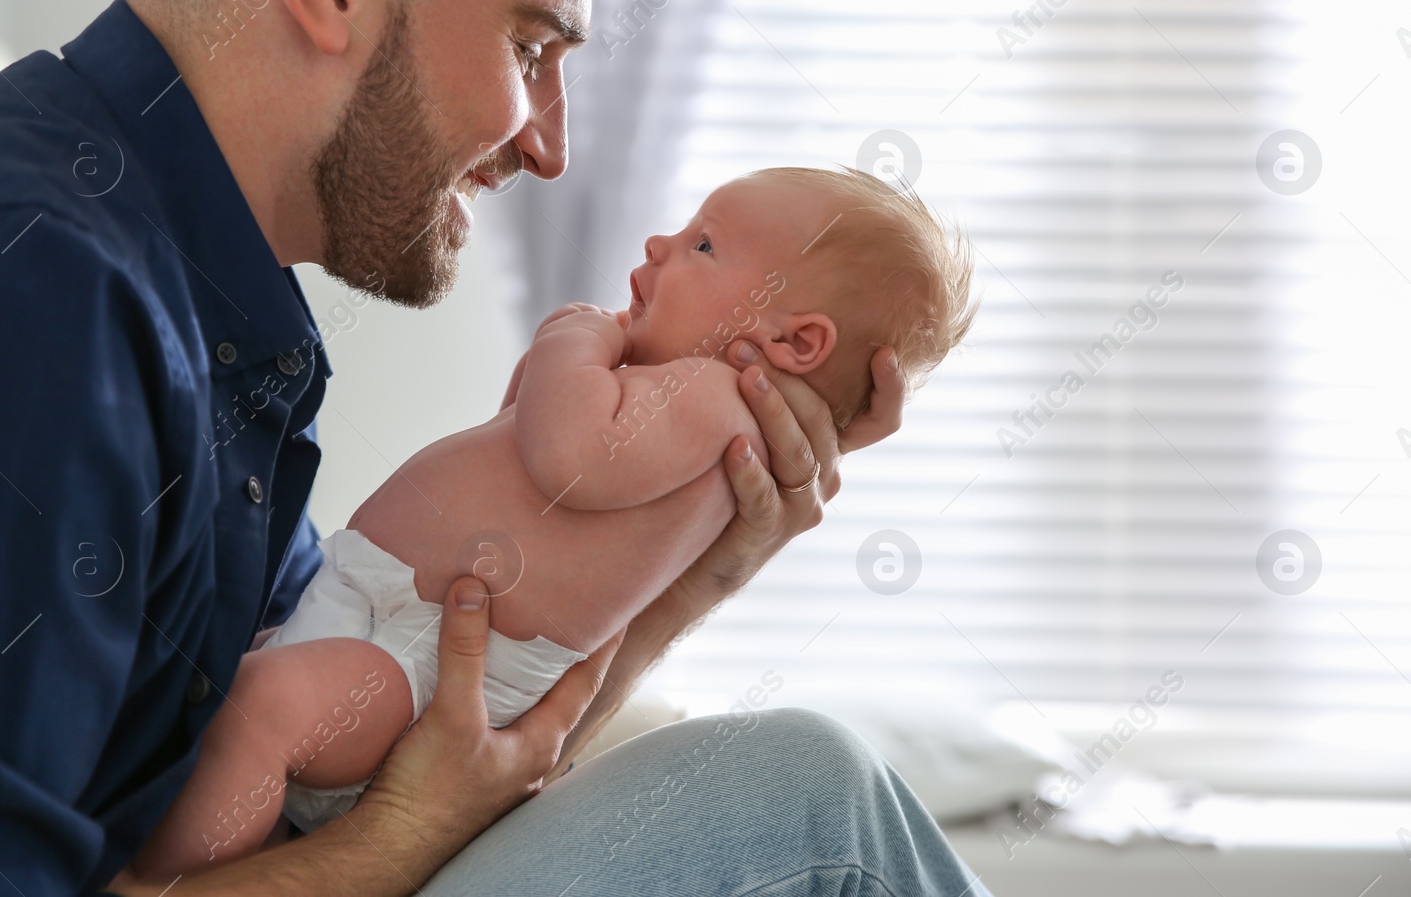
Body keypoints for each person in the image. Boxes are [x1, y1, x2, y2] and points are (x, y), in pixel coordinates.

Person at [0, 0, 990, 893]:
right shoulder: (22, 280)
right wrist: (396, 842)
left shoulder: (204, 297)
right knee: (816, 802)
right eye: (529, 48)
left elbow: (417, 732)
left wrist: (703, 565)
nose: (547, 146)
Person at [124, 167, 978, 877]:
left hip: (418, 667)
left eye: (705, 246)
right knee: (234, 704)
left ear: (795, 343)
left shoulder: (711, 402)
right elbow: (519, 438)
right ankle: (239, 849)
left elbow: (569, 457)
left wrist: (571, 335)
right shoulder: (671, 402)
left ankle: (172, 880)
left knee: (256, 711)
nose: (660, 245)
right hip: (391, 636)